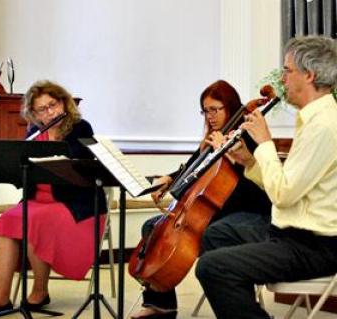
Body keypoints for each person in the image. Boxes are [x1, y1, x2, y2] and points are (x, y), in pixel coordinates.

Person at [195, 35, 337, 319]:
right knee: (217, 234)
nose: (282, 78)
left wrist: (266, 143)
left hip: (313, 244)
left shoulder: (324, 125)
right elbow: (285, 185)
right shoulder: (313, 119)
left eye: (287, 70)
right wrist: (248, 159)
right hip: (289, 231)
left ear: (308, 75)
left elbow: (283, 195)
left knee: (212, 266)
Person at [130, 80, 272, 319]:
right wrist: (170, 177)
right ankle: (160, 305)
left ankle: (238, 306)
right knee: (152, 226)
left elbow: (260, 183)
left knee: (216, 233)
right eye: (205, 111)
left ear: (231, 107)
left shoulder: (248, 136)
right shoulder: (213, 137)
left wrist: (229, 154)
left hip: (245, 210)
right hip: (215, 211)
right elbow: (195, 169)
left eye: (215, 109)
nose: (210, 116)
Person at [0, 80, 107, 317]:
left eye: (53, 105)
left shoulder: (81, 128)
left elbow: (79, 166)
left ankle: (39, 290)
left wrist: (51, 151)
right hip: (37, 200)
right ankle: (1, 297)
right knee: (7, 222)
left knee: (34, 220)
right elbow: (26, 172)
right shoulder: (34, 132)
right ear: (33, 113)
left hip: (75, 204)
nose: (50, 112)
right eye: (42, 109)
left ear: (63, 103)